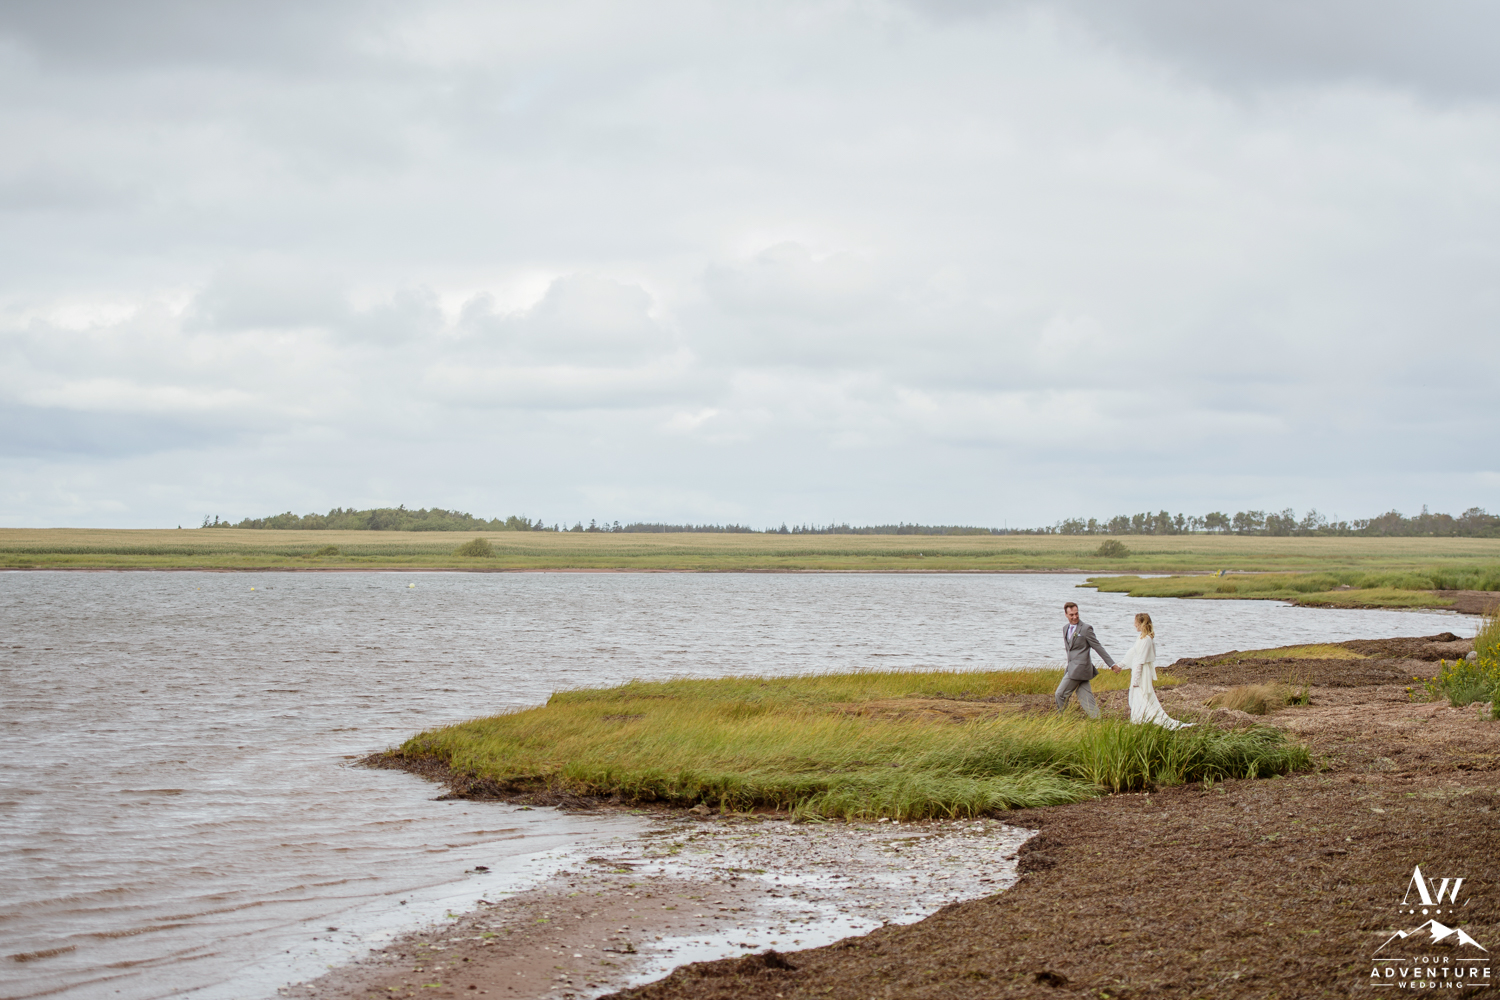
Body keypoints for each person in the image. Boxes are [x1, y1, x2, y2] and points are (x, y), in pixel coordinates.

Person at [1122, 612, 1192, 729]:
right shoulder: (1142, 638)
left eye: (1135, 623)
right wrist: (1121, 664)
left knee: (1141, 695)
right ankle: (1140, 718)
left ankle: (1144, 719)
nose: (1134, 625)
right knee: (1139, 696)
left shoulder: (1146, 640)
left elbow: (1140, 660)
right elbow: (1133, 653)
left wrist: (1135, 680)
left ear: (1140, 624)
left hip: (1142, 673)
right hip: (1140, 671)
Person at [1055, 601, 1118, 718]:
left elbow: (1098, 647)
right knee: (1086, 698)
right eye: (1071, 615)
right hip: (1072, 667)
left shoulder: (1086, 629)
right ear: (1066, 615)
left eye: (1076, 614)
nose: (1075, 617)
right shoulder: (1065, 629)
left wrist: (1112, 664)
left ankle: (1061, 719)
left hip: (1080, 668)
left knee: (1060, 694)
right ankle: (1098, 719)